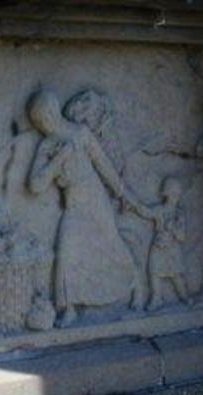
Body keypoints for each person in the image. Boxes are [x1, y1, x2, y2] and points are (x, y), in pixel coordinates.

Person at [27, 91, 143, 327]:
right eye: (37, 122)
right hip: (73, 203)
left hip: (94, 198)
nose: (42, 125)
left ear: (52, 113)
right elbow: (35, 185)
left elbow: (104, 166)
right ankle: (68, 308)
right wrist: (58, 159)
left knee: (111, 245)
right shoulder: (47, 146)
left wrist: (124, 195)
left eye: (43, 118)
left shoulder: (80, 134)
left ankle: (136, 286)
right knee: (67, 251)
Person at [145, 177, 192, 311]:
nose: (176, 197)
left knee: (176, 274)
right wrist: (132, 205)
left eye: (177, 195)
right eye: (174, 194)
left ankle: (184, 296)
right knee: (154, 271)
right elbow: (146, 212)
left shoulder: (179, 214)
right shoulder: (159, 210)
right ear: (167, 194)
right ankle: (156, 299)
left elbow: (182, 237)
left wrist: (173, 229)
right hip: (158, 246)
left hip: (172, 249)